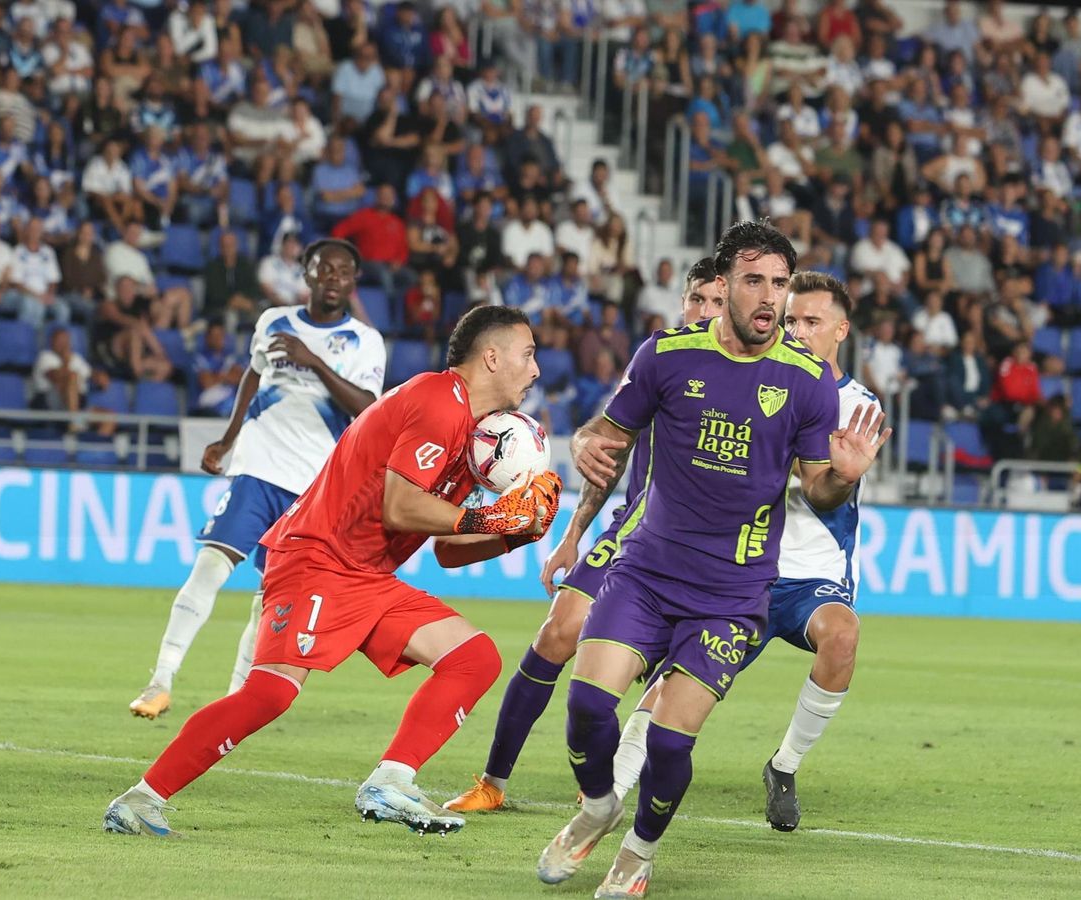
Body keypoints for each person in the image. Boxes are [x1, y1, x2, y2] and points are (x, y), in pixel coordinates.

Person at [104, 305, 561, 837]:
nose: (535, 370)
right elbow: (400, 508)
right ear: (492, 357)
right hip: (316, 559)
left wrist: (516, 531)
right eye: (528, 355)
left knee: (473, 658)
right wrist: (488, 516)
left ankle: (391, 781)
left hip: (366, 575)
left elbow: (446, 550)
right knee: (270, 692)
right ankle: (140, 800)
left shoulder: (470, 434)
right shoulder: (439, 401)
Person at [537, 221, 887, 897]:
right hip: (645, 573)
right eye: (755, 280)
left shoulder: (807, 380)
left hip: (732, 592)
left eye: (780, 283)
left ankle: (638, 854)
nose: (770, 297)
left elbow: (818, 487)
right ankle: (599, 807)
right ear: (724, 285)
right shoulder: (667, 354)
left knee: (671, 742)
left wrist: (843, 476)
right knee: (586, 707)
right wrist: (582, 443)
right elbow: (607, 432)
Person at [444, 257, 725, 815]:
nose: (705, 311)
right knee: (556, 632)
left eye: (717, 302)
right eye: (697, 299)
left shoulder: (760, 376)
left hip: (706, 553)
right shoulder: (662, 359)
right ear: (682, 302)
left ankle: (606, 778)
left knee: (653, 675)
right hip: (634, 529)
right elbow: (609, 451)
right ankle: (493, 782)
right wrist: (573, 533)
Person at [606, 271, 880, 834]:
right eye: (792, 318)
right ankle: (608, 795)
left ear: (841, 330)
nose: (798, 330)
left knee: (843, 635)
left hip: (810, 573)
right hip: (741, 566)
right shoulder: (752, 376)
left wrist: (839, 474)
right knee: (672, 686)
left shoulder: (856, 405)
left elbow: (825, 489)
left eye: (812, 321)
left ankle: (785, 766)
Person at [128, 239, 388, 719]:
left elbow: (368, 408)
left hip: (313, 487)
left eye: (343, 271)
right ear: (306, 273)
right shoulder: (273, 321)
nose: (333, 277)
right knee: (209, 566)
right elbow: (253, 376)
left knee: (267, 598)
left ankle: (232, 702)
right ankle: (159, 680)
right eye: (324, 268)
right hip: (259, 466)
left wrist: (314, 362)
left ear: (354, 281)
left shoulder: (364, 340)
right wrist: (226, 441)